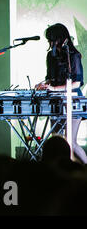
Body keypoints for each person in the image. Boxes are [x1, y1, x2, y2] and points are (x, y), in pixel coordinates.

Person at [35, 23, 87, 164]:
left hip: (73, 100)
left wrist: (55, 89)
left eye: (52, 39)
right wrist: (43, 84)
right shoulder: (50, 56)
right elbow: (50, 78)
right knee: (56, 141)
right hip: (56, 101)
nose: (50, 43)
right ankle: (58, 173)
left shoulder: (74, 55)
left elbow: (77, 82)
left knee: (71, 142)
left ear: (60, 39)